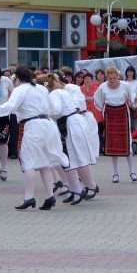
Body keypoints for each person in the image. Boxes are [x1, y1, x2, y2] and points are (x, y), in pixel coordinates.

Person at [0, 66, 69, 210]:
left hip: (32, 125)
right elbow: (52, 110)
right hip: (48, 125)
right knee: (44, 161)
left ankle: (29, 197)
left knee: (28, 162)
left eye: (14, 79)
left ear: (17, 79)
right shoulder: (42, 88)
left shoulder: (20, 89)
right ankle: (49, 195)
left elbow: (9, 107)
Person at [37, 74, 99, 205]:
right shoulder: (59, 92)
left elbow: (57, 110)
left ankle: (80, 189)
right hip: (68, 123)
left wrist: (44, 112)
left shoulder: (56, 93)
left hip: (71, 123)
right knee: (70, 158)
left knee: (73, 157)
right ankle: (75, 189)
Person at [94, 66, 137, 183]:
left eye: (114, 78)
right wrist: (103, 110)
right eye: (110, 78)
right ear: (106, 78)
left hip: (123, 114)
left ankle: (132, 171)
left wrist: (136, 100)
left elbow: (132, 96)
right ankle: (115, 173)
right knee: (113, 144)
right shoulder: (103, 87)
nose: (112, 80)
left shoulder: (125, 85)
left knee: (127, 141)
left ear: (117, 76)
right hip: (110, 115)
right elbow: (97, 101)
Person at [125, 65, 137, 130]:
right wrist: (129, 104)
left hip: (135, 106)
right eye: (128, 71)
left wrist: (135, 105)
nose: (129, 73)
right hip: (126, 106)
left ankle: (134, 140)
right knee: (127, 125)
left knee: (135, 127)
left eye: (131, 72)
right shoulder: (124, 83)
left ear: (134, 73)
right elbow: (124, 95)